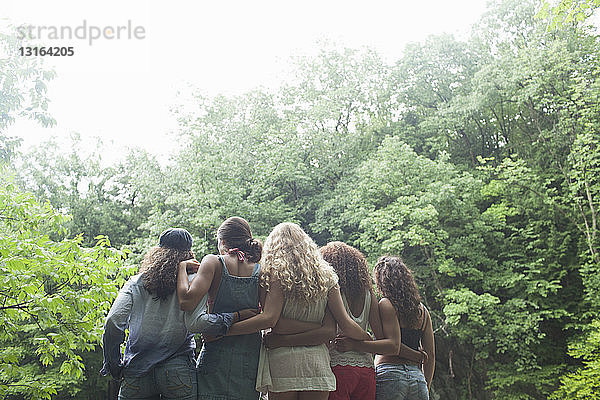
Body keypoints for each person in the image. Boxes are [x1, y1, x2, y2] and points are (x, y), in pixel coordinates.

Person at [224, 223, 373, 400]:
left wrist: (225, 329)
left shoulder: (272, 275)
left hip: (282, 362)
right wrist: (366, 337)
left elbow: (277, 324)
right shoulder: (327, 277)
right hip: (317, 363)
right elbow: (343, 326)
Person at [265, 242, 424, 400]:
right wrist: (364, 340)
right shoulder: (369, 295)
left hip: (338, 367)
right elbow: (384, 342)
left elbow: (327, 331)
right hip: (366, 372)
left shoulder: (333, 293)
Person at [101, 228, 235, 400]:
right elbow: (200, 321)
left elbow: (113, 321)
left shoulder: (136, 283)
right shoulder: (194, 283)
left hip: (137, 370)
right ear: (189, 253)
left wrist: (113, 364)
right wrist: (232, 318)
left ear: (158, 252)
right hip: (178, 370)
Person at [176, 216, 263, 400]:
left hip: (215, 358)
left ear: (222, 241)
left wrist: (181, 268)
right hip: (249, 361)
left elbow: (186, 301)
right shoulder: (260, 270)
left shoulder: (213, 262)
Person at [370, 256, 435, 400]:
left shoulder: (386, 304)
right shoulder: (422, 311)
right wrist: (425, 384)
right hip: (417, 378)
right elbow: (430, 355)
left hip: (389, 375)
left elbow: (394, 345)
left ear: (382, 281)